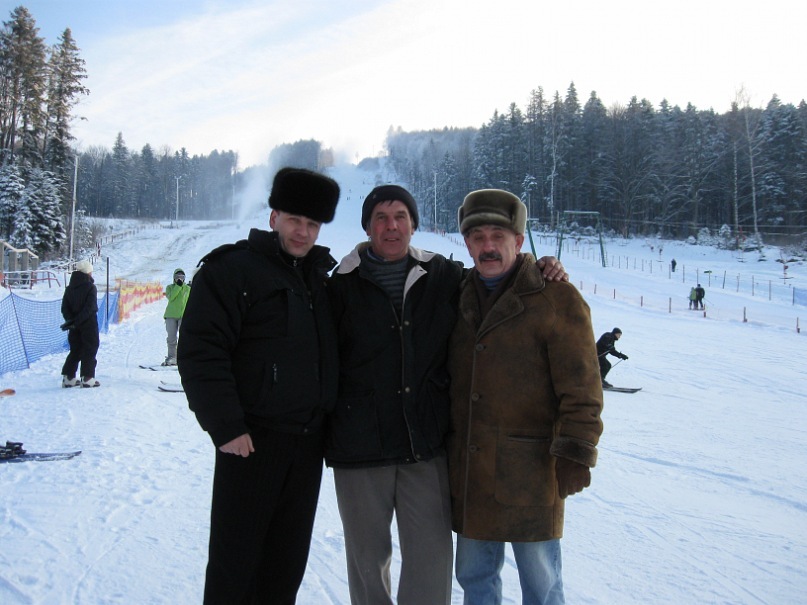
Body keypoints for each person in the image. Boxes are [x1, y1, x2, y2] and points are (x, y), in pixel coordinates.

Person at [325, 184, 567, 605]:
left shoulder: (443, 275)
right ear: (366, 227)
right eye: (380, 218)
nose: (391, 226)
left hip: (425, 446)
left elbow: (498, 278)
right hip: (360, 448)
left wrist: (539, 267)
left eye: (400, 217)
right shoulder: (338, 286)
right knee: (368, 562)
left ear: (413, 225)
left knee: (431, 561)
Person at [177, 167, 340, 605]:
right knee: (236, 567)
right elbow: (201, 350)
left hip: (306, 447)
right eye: (294, 220)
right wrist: (226, 426)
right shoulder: (233, 270)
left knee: (285, 566)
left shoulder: (320, 280)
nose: (303, 232)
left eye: (312, 224)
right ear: (273, 218)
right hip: (251, 444)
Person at [447, 189, 603, 604]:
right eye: (477, 237)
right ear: (467, 244)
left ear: (518, 241)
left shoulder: (556, 298)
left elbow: (583, 389)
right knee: (475, 578)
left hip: (531, 474)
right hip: (471, 472)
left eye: (498, 236)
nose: (488, 246)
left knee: (541, 583)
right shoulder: (456, 293)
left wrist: (577, 450)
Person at [60, 259, 100, 388]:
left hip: (73, 325)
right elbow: (90, 307)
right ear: (88, 272)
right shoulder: (90, 287)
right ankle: (87, 378)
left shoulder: (69, 288)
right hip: (88, 324)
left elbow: (64, 308)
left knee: (75, 349)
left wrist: (71, 321)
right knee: (90, 348)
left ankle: (68, 378)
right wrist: (78, 321)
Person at [162, 268, 191, 366]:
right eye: (177, 277)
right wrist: (178, 286)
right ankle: (172, 357)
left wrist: (193, 288)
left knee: (184, 338)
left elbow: (192, 300)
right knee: (171, 338)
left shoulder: (187, 289)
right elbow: (171, 297)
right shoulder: (170, 287)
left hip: (183, 316)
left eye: (182, 277)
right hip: (171, 315)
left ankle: (184, 357)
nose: (179, 279)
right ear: (174, 278)